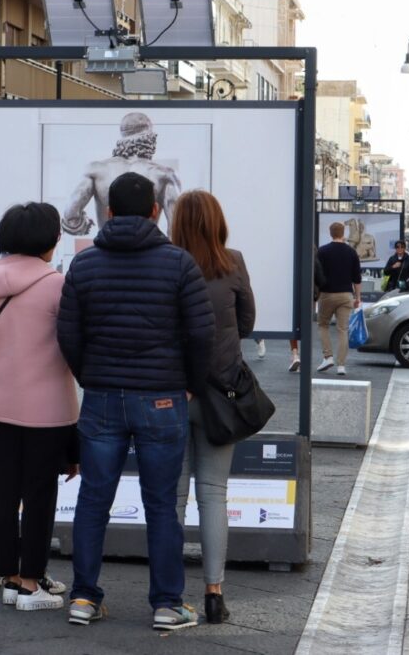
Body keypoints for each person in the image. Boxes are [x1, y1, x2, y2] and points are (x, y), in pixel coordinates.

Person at [57, 172, 214, 630]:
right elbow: (202, 334)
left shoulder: (84, 266)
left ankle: (83, 598)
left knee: (92, 501)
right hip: (163, 397)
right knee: (162, 504)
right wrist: (189, 384)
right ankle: (167, 604)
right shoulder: (179, 263)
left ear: (107, 212)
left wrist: (90, 375)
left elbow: (67, 333)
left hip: (102, 397)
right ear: (152, 211)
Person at [0, 202, 79, 612]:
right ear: (50, 240)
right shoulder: (57, 286)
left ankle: (10, 578)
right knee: (40, 494)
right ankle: (31, 583)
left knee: (4, 495)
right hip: (46, 410)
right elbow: (70, 348)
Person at [170, 190, 255, 626]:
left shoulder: (167, 262)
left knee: (173, 494)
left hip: (172, 393)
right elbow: (246, 324)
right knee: (214, 493)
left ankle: (168, 595)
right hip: (222, 395)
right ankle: (214, 593)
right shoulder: (233, 260)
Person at [61, 112, 182, 237]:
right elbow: (176, 228)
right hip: (147, 250)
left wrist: (83, 225)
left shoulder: (95, 170)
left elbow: (70, 215)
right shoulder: (164, 175)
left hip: (107, 250)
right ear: (149, 138)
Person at [316, 221, 362, 376]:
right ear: (344, 234)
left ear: (331, 233)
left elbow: (316, 273)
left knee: (323, 325)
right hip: (346, 295)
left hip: (327, 294)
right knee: (343, 330)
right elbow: (357, 278)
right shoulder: (351, 252)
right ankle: (341, 365)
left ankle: (328, 357)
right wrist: (358, 297)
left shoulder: (322, 252)